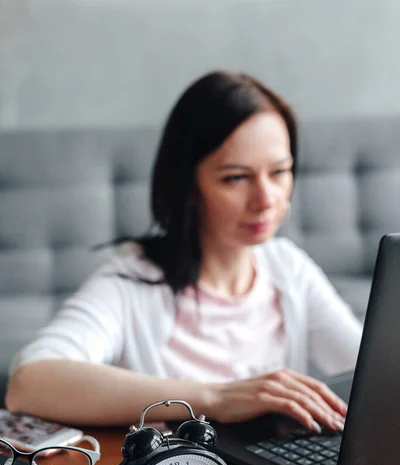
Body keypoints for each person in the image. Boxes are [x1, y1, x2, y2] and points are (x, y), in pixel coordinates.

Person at [5, 70, 362, 430]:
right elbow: (27, 384)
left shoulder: (288, 267)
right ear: (188, 185)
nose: (265, 199)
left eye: (280, 172)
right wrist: (217, 399)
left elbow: (375, 373)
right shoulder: (132, 280)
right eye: (235, 178)